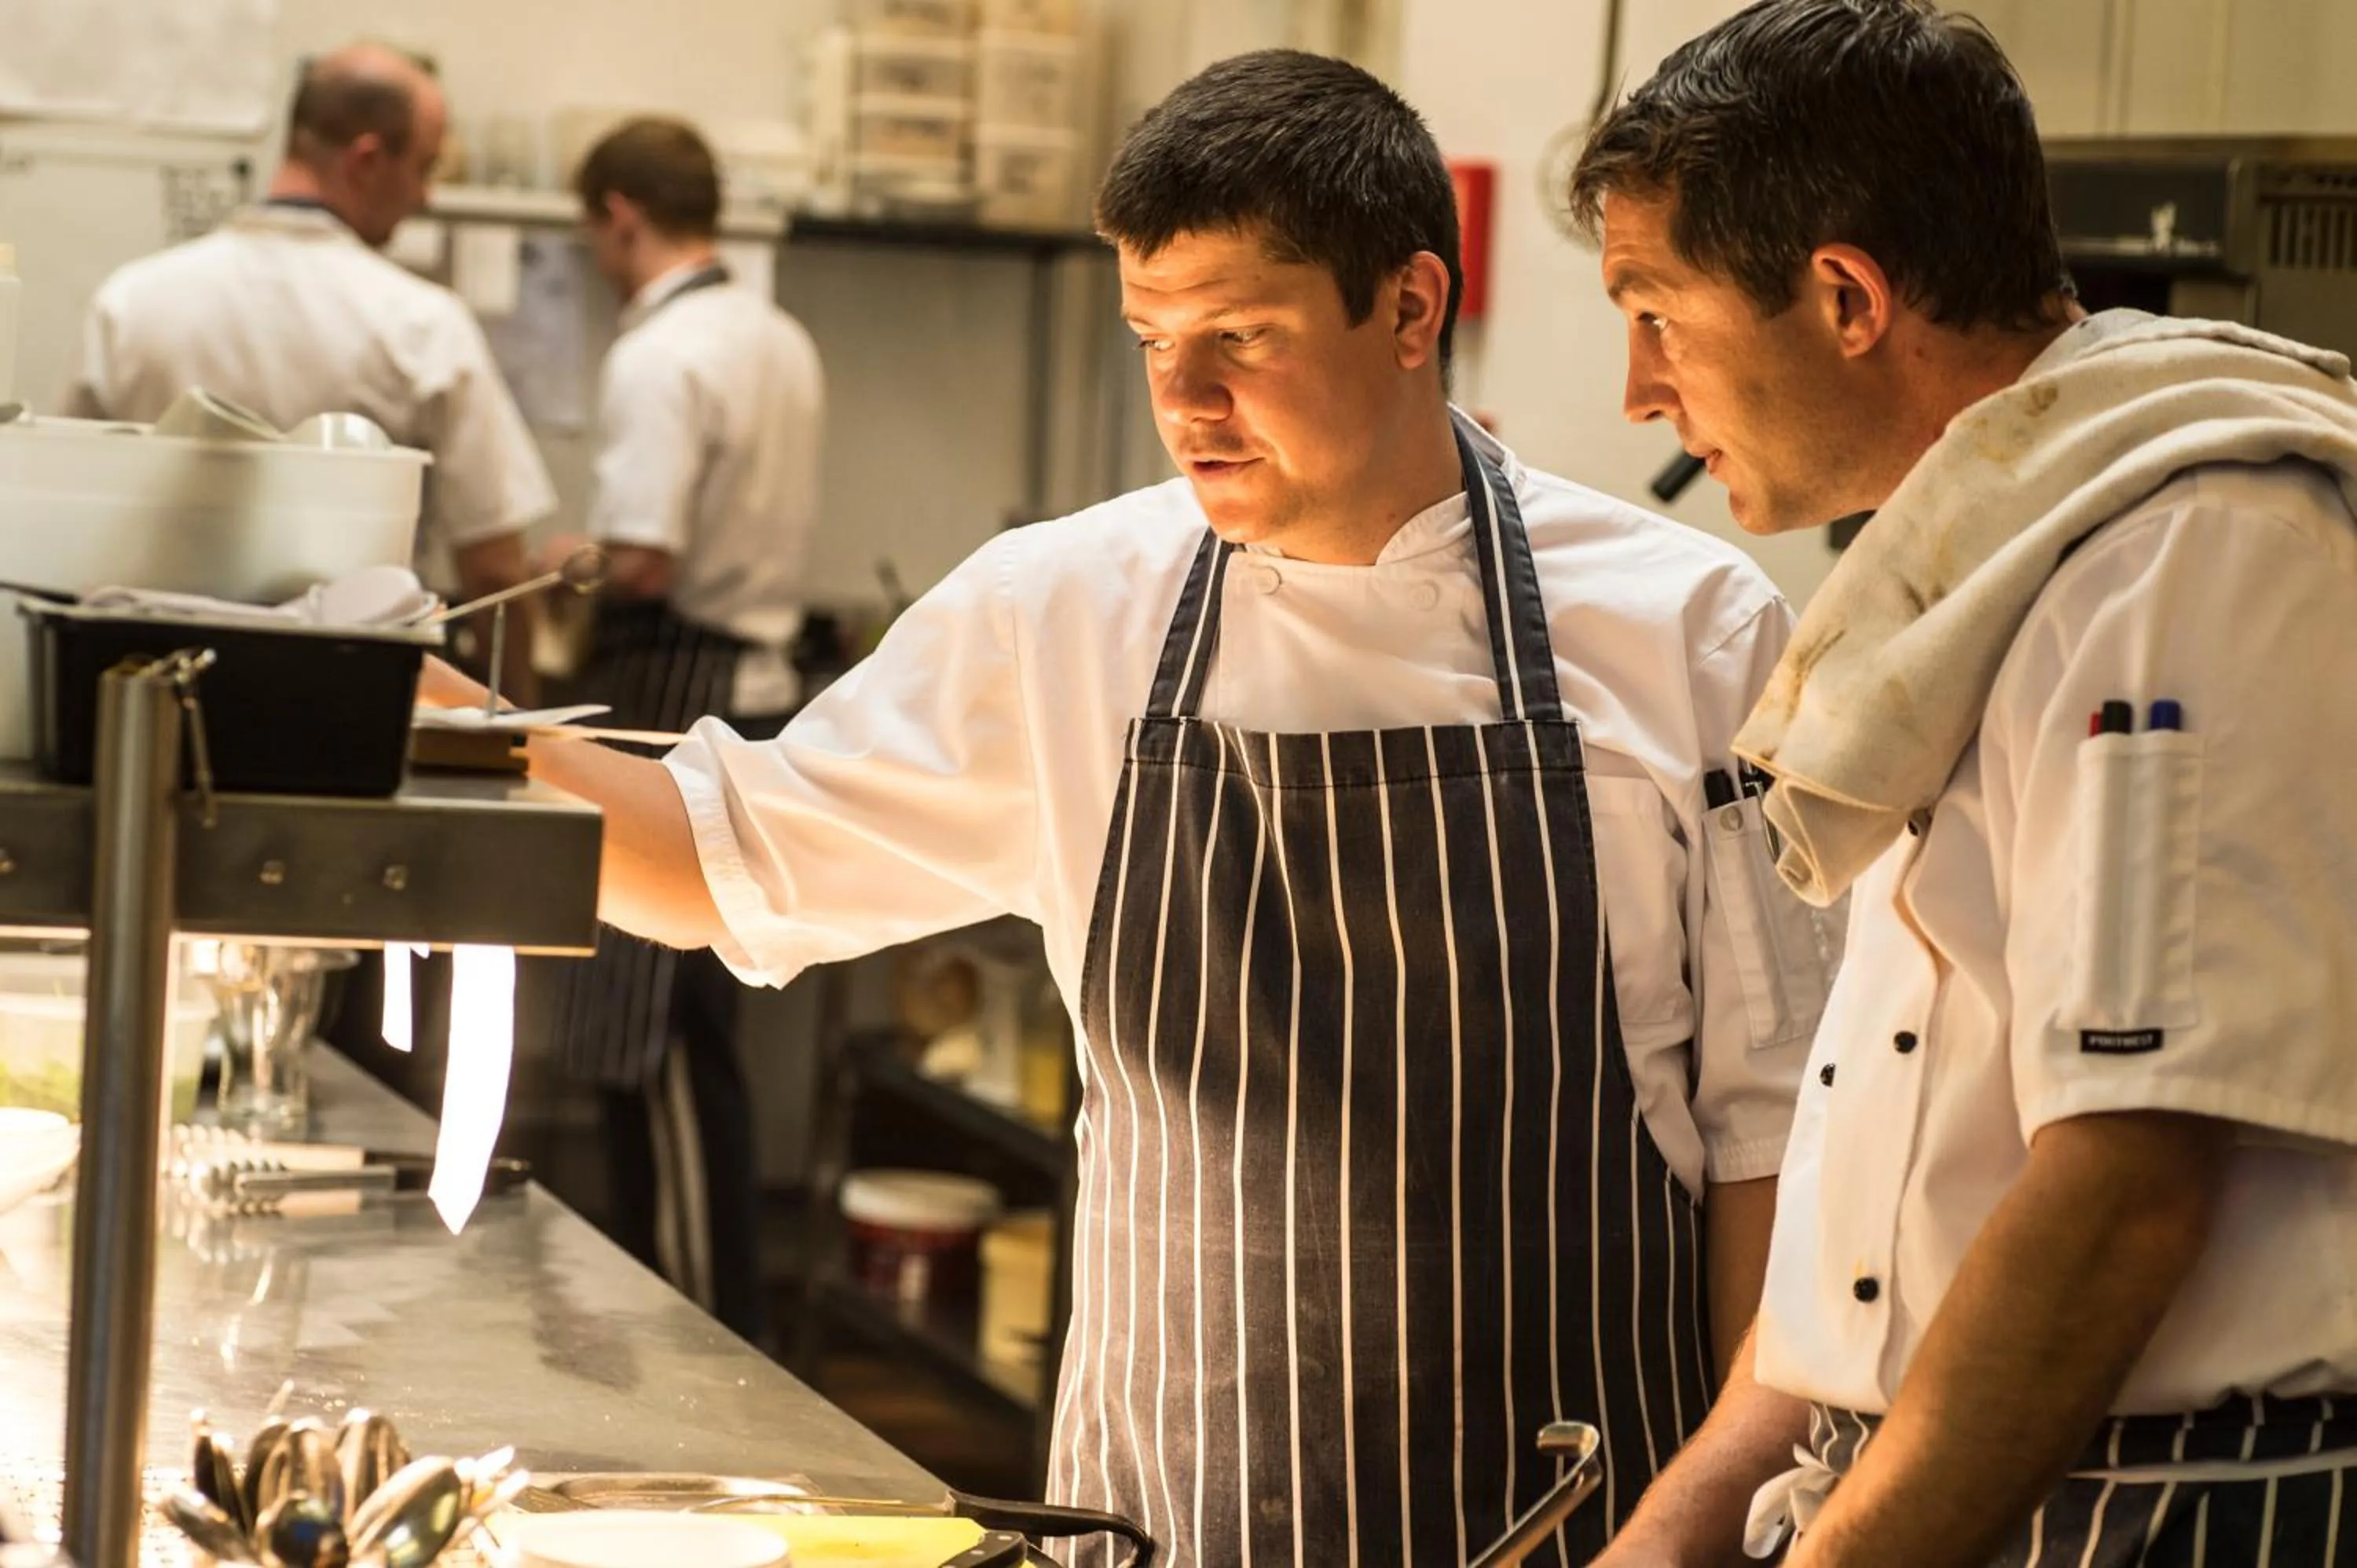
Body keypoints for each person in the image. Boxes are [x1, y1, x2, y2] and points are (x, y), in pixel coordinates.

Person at [428, 50, 1837, 1566]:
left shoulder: (1687, 628)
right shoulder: (1066, 610)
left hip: (1579, 1531)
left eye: (1241, 336)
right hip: (1170, 1519)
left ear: (1411, 307)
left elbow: (1775, 1146)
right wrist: (411, 713)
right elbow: (717, 859)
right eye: (1153, 338)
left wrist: (1707, 1537)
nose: (1184, 401)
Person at [1568, 3, 2357, 1566]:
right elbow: (1881, 1235)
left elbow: (2122, 1189)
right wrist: (1669, 1538)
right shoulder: (1985, 570)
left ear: (1846, 297)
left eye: (1656, 315)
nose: (1639, 393)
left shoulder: (2196, 550)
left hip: (2166, 1511)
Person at [549, 116, 827, 1345]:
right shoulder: (779, 336)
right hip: (758, 689)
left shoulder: (661, 351)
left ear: (619, 215)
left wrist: (564, 563)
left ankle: (696, 1330)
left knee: (651, 1036)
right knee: (694, 1028)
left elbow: (646, 559)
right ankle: (703, 1320)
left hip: (672, 685)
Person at [64, 41, 554, 698]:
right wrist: (523, 722)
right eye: (423, 167)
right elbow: (494, 569)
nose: (425, 195)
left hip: (149, 691)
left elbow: (71, 513)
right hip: (347, 698)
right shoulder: (420, 322)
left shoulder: (131, 302)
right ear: (367, 159)